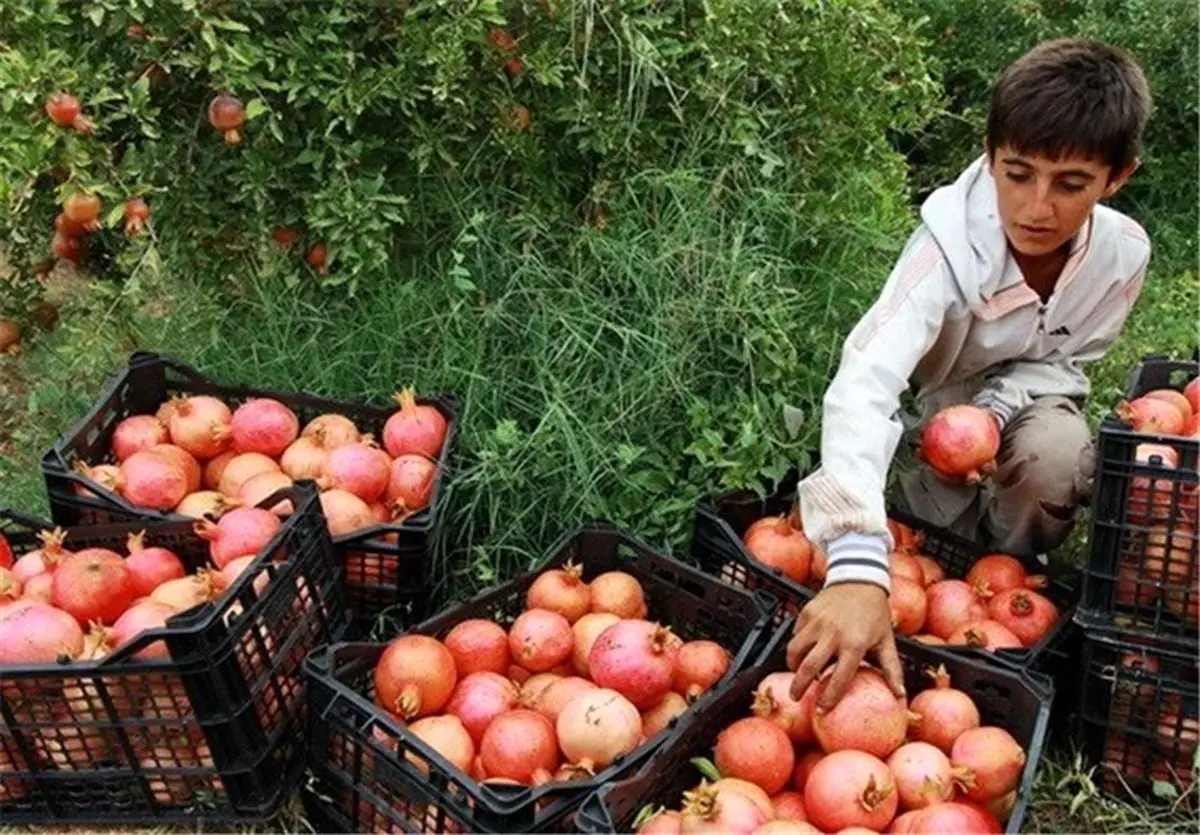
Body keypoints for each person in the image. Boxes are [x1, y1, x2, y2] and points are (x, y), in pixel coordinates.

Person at [787, 37, 1153, 708]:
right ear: (990, 158)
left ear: (1116, 177)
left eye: (1070, 184)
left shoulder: (1123, 257)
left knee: (1055, 458)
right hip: (934, 412)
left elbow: (1069, 360)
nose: (1036, 207)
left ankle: (1009, 570)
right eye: (1017, 173)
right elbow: (866, 379)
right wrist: (856, 566)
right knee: (917, 542)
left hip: (1031, 401)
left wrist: (996, 411)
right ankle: (947, 559)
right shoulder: (941, 252)